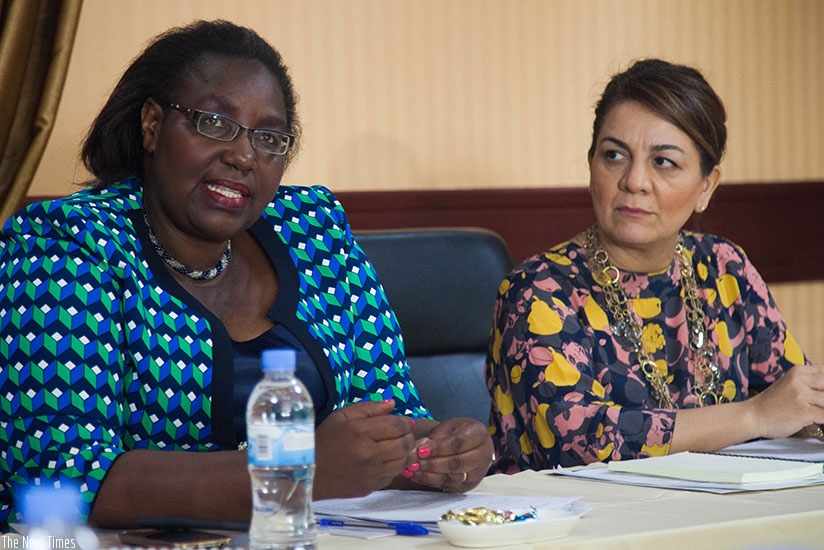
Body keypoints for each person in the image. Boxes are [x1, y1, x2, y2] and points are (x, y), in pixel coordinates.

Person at [0, 20, 494, 529]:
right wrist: (297, 469)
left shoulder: (312, 229)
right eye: (214, 123)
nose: (243, 155)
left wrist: (441, 452)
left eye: (269, 138)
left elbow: (388, 419)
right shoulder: (66, 244)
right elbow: (58, 479)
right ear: (152, 125)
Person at [486, 58, 824, 473]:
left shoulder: (724, 268)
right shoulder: (539, 290)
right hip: (578, 529)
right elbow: (575, 441)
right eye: (614, 156)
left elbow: (792, 401)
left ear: (706, 186)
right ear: (591, 166)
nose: (635, 181)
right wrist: (753, 416)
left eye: (663, 162)